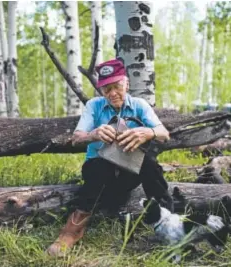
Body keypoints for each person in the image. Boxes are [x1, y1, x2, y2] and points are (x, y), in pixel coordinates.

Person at [47, 59, 174, 256]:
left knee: (150, 164)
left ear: (127, 84)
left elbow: (164, 133)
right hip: (99, 176)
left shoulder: (139, 105)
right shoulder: (94, 106)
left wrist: (147, 132)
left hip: (129, 174)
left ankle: (169, 224)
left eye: (117, 86)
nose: (112, 93)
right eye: (106, 89)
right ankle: (72, 231)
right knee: (99, 166)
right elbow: (76, 138)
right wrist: (93, 134)